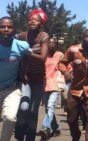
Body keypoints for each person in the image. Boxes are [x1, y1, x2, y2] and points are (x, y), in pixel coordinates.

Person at [14, 9, 49, 141]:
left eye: (36, 20)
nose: (32, 21)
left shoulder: (44, 36)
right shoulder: (22, 36)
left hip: (39, 78)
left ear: (42, 23)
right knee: (23, 108)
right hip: (25, 78)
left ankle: (30, 138)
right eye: (30, 19)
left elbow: (43, 58)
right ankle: (19, 135)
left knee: (33, 111)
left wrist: (27, 52)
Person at [0, 16, 32, 141]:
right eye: (2, 27)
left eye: (9, 27)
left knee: (9, 117)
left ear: (14, 30)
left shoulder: (21, 46)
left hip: (11, 88)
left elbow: (31, 54)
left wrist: (25, 74)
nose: (6, 29)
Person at [38, 37, 64, 140]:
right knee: (48, 109)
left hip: (55, 84)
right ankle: (56, 128)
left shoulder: (59, 55)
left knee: (51, 105)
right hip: (44, 85)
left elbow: (65, 66)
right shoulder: (42, 54)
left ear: (56, 44)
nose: (51, 44)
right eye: (49, 42)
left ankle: (46, 127)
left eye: (53, 42)